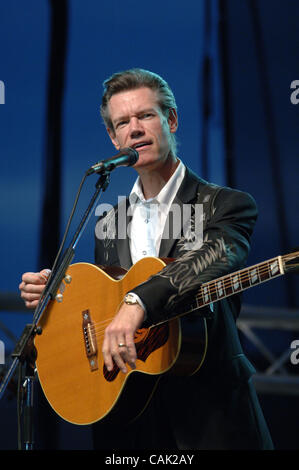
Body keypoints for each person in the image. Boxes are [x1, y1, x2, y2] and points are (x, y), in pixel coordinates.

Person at [19, 68, 273, 450]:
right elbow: (107, 300)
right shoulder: (110, 222)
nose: (135, 128)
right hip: (129, 415)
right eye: (123, 122)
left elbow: (212, 255)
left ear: (171, 120)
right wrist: (60, 300)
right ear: (113, 137)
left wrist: (137, 303)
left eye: (146, 115)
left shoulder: (225, 204)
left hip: (209, 415)